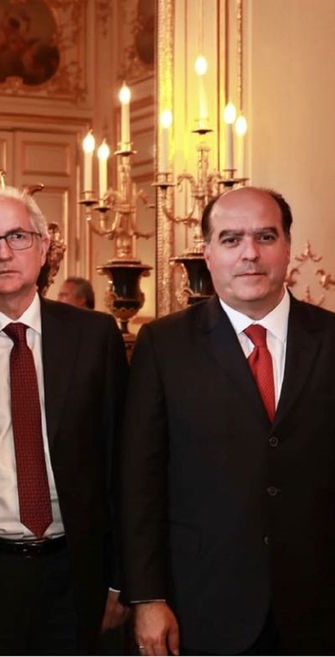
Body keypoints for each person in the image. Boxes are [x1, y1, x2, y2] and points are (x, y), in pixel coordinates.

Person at [120, 186, 335, 655]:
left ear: (288, 246)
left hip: (319, 606)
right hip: (202, 605)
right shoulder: (163, 346)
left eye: (265, 236)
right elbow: (140, 482)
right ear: (209, 253)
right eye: (231, 239)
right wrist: (148, 597)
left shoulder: (331, 338)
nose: (250, 254)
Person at [0, 187, 128, 654]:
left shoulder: (94, 337)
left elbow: (122, 465)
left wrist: (120, 579)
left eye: (18, 237)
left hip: (77, 573)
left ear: (44, 246)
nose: (4, 252)